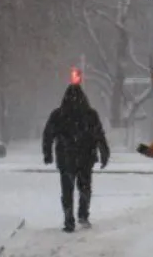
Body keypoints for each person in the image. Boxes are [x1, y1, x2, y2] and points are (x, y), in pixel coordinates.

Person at [42, 83, 109, 233]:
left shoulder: (58, 115)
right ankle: (83, 215)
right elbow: (99, 135)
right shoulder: (90, 115)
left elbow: (48, 135)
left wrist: (48, 154)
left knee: (67, 189)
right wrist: (104, 153)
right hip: (86, 156)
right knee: (85, 187)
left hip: (66, 158)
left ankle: (68, 219)